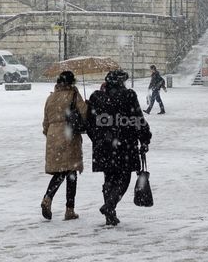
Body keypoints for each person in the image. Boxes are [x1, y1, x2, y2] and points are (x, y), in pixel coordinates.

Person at [87, 70, 151, 226]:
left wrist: (97, 138)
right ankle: (110, 205)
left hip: (104, 145)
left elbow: (89, 122)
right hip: (125, 144)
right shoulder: (128, 95)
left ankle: (110, 213)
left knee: (109, 178)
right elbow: (137, 118)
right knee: (124, 178)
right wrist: (144, 137)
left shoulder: (96, 97)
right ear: (121, 81)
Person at [41, 70, 87, 221]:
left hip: (53, 135)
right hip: (69, 134)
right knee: (71, 172)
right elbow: (84, 113)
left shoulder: (51, 97)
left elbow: (45, 122)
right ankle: (69, 209)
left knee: (60, 170)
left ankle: (48, 198)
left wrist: (51, 132)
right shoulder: (73, 94)